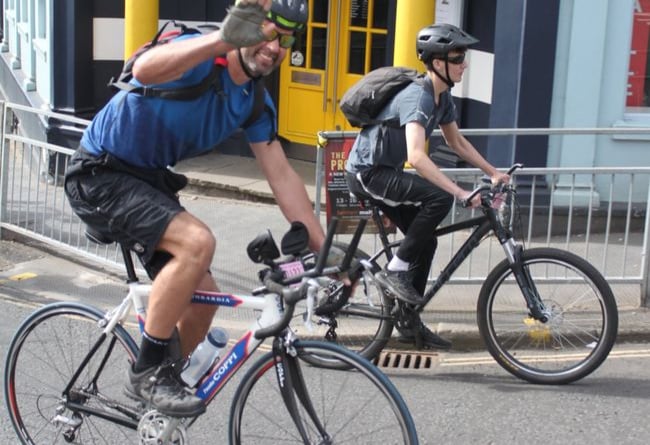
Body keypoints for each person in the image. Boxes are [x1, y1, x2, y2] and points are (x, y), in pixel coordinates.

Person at [64, 0, 323, 417]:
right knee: (198, 241)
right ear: (247, 27)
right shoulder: (202, 55)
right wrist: (221, 38)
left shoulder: (253, 101)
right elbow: (146, 69)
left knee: (204, 302)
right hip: (100, 173)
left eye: (287, 38)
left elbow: (282, 176)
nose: (275, 47)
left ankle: (161, 394)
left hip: (147, 181)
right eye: (269, 32)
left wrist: (328, 252)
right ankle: (146, 372)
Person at [345, 23, 510, 350]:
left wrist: (493, 172)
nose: (464, 63)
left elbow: (457, 143)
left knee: (427, 242)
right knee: (439, 199)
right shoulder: (418, 96)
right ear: (438, 63)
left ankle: (408, 321)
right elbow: (417, 157)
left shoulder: (441, 97)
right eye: (458, 57)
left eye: (463, 57)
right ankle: (396, 270)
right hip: (368, 172)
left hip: (384, 171)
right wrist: (460, 193)